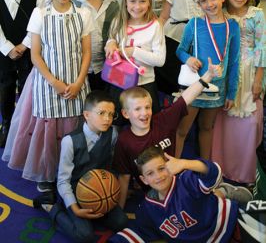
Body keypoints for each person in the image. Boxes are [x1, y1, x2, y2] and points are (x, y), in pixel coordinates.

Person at [2, 0, 93, 194]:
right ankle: (47, 174)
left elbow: (86, 52)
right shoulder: (40, 13)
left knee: (74, 130)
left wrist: (80, 80)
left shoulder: (83, 13)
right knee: (49, 132)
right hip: (47, 82)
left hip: (76, 81)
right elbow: (35, 54)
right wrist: (55, 82)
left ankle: (72, 171)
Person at [113, 58, 223, 208]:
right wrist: (120, 208)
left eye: (147, 107)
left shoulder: (162, 121)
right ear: (126, 114)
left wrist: (208, 76)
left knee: (205, 199)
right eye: (137, 109)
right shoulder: (124, 141)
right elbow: (124, 177)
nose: (144, 113)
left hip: (178, 180)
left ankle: (223, 193)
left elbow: (186, 98)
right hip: (155, 191)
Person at [33, 90, 128, 243]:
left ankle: (93, 212)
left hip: (99, 189)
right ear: (86, 115)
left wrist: (108, 194)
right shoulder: (70, 141)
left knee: (122, 223)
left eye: (111, 114)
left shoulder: (113, 134)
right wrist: (75, 208)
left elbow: (110, 167)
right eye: (102, 113)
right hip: (75, 190)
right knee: (86, 236)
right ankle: (51, 208)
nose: (107, 119)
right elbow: (63, 181)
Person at [108, 146, 257, 243]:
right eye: (150, 173)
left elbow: (212, 173)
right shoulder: (147, 208)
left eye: (161, 168)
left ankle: (224, 193)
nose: (158, 176)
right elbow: (137, 232)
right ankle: (220, 192)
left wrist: (185, 163)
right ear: (144, 180)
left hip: (225, 224)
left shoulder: (185, 181)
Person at [176, 0, 240, 160]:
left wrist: (231, 93)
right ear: (199, 3)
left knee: (207, 128)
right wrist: (189, 59)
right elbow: (180, 50)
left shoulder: (232, 27)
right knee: (182, 130)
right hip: (194, 86)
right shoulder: (195, 24)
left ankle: (206, 171)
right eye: (203, 1)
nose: (209, 4)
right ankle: (173, 173)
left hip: (217, 89)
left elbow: (234, 62)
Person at [211, 0, 265, 184]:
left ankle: (245, 173)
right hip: (227, 72)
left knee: (250, 123)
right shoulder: (221, 13)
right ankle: (221, 170)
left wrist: (259, 79)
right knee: (225, 122)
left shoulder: (256, 14)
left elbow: (262, 47)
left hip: (251, 72)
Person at [0, 0, 44, 147]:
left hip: (29, 46)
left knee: (29, 87)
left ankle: (26, 127)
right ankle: (7, 123)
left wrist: (24, 45)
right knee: (5, 87)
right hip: (4, 48)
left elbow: (40, 15)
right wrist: (8, 47)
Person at [105, 0, 166, 119]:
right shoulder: (118, 21)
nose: (137, 7)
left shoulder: (155, 26)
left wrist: (133, 51)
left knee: (145, 125)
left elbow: (160, 60)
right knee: (116, 123)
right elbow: (112, 38)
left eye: (142, 1)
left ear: (149, 2)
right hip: (118, 82)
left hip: (145, 85)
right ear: (125, 1)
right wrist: (110, 43)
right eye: (132, 1)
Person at [74, 0, 129, 90]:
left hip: (105, 67)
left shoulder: (113, 6)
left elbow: (117, 33)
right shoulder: (75, 4)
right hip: (78, 67)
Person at [157, 0, 206, 95]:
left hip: (200, 41)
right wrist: (155, 36)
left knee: (195, 81)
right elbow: (164, 17)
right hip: (174, 38)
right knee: (173, 79)